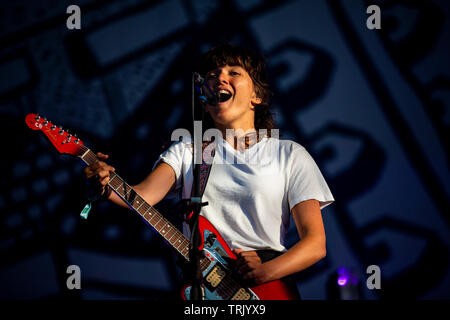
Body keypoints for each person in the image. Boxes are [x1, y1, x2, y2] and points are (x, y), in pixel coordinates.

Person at [83, 44, 334, 299]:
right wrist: (104, 185)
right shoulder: (188, 151)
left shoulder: (288, 154)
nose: (220, 78)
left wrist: (266, 272)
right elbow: (142, 196)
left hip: (266, 288)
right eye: (212, 75)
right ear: (205, 99)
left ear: (256, 96)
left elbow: (315, 244)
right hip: (204, 288)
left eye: (233, 72)